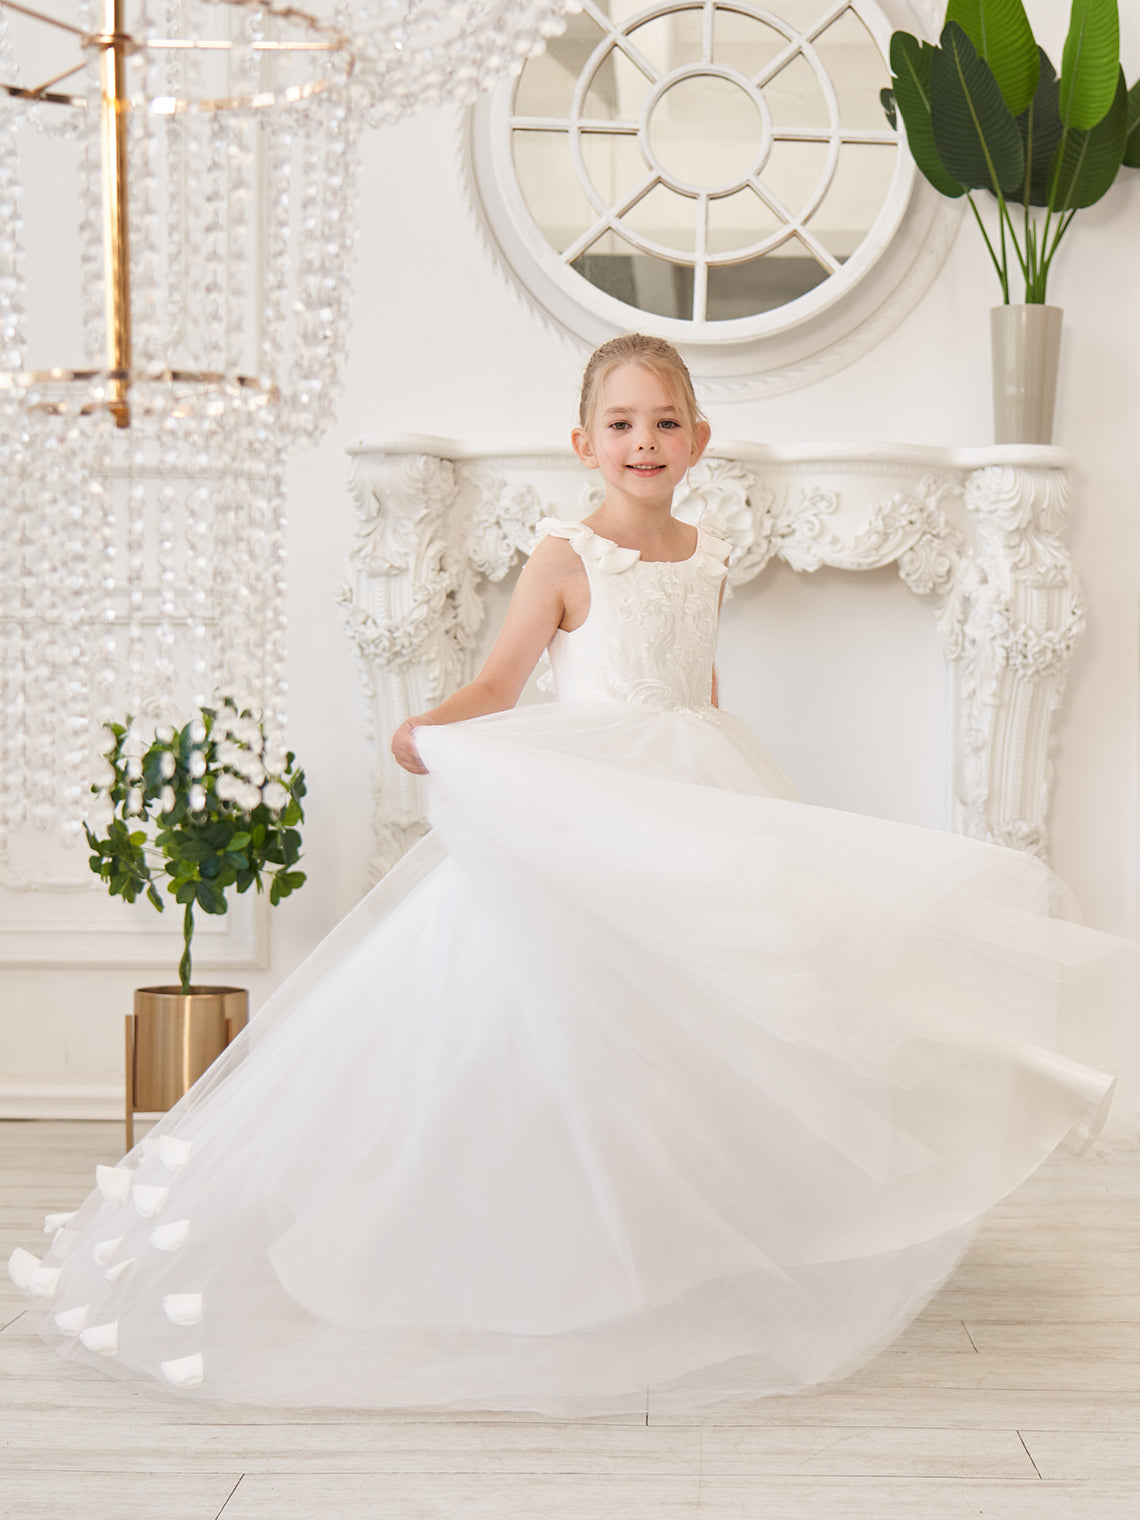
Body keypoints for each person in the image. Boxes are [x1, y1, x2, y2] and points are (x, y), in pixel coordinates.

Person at [9, 335, 1139, 1418]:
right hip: (593, 794)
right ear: (583, 441)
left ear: (699, 436)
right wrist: (431, 725)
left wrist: (740, 804)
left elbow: (695, 683)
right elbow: (501, 684)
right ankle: (528, 1232)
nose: (642, 440)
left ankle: (693, 1220)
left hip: (695, 781)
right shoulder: (564, 554)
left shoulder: (708, 554)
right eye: (619, 423)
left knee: (746, 986)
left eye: (662, 421)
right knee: (556, 998)